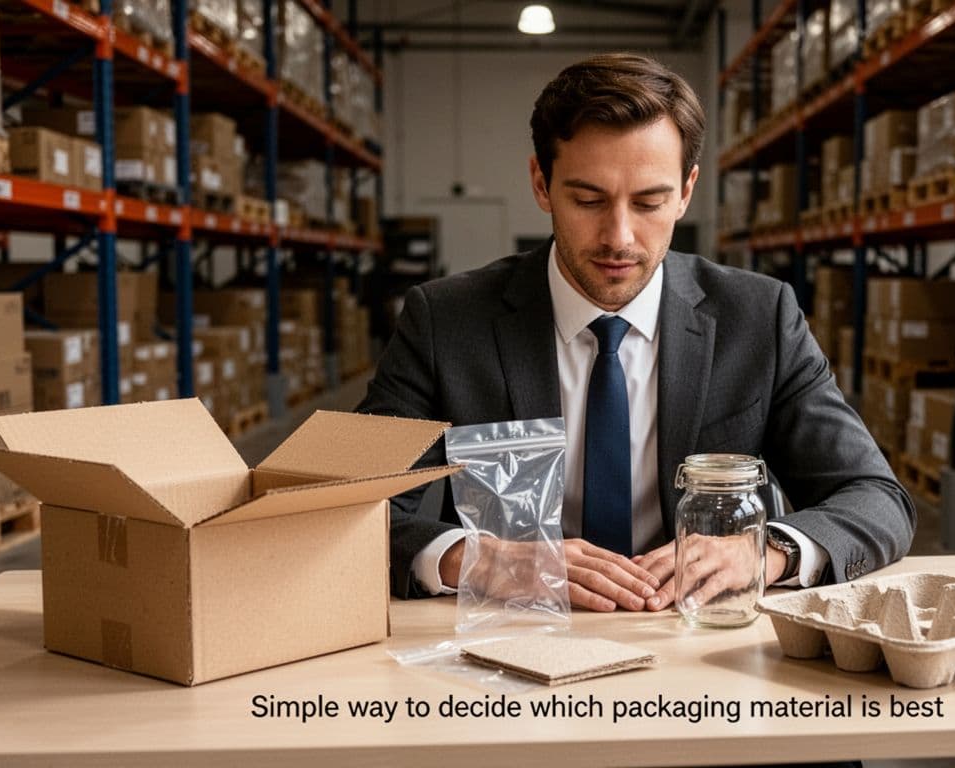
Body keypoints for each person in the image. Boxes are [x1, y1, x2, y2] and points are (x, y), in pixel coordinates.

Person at [357, 53, 915, 612]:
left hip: (695, 639)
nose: (619, 237)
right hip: (514, 635)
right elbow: (343, 506)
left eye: (649, 201)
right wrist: (477, 559)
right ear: (541, 184)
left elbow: (875, 498)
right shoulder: (447, 321)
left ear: (686, 191)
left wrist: (762, 553)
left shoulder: (759, 317)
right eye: (588, 200)